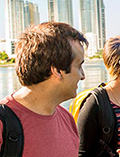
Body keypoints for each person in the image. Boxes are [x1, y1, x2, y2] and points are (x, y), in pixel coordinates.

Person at [0, 22, 88, 156]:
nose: (83, 76)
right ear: (57, 70)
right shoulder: (3, 124)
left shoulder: (67, 119)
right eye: (79, 66)